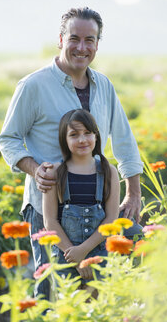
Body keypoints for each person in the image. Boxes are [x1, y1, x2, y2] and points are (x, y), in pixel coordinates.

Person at [0, 7, 143, 299]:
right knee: (50, 288)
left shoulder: (104, 85)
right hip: (48, 206)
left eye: (90, 40)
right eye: (74, 38)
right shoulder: (33, 86)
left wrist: (133, 191)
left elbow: (124, 138)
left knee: (102, 284)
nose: (81, 47)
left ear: (98, 44)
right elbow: (8, 138)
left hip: (98, 207)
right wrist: (34, 168)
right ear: (60, 40)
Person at [43, 109, 119, 282]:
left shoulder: (109, 172)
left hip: (101, 254)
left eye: (87, 133)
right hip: (66, 256)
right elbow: (50, 221)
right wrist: (74, 255)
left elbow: (111, 219)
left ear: (96, 136)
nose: (82, 139)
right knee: (70, 304)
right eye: (74, 134)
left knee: (99, 303)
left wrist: (83, 250)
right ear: (64, 139)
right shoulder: (54, 172)